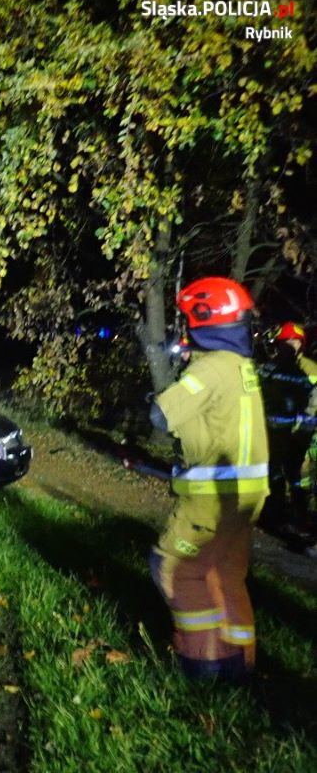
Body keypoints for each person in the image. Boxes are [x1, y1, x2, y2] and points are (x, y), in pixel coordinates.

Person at [148, 277, 268, 682]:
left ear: (203, 318)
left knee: (176, 569)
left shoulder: (210, 368)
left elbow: (161, 416)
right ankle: (240, 661)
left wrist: (168, 387)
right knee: (226, 574)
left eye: (186, 319)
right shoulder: (241, 366)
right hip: (248, 495)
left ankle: (205, 668)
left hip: (212, 497)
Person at [258, 322, 317, 544]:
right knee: (275, 473)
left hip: (299, 434)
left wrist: (305, 431)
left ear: (301, 345)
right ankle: (277, 515)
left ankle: (300, 518)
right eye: (286, 342)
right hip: (273, 432)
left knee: (297, 477)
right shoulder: (269, 368)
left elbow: (313, 404)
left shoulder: (310, 370)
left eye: (294, 341)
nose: (290, 345)